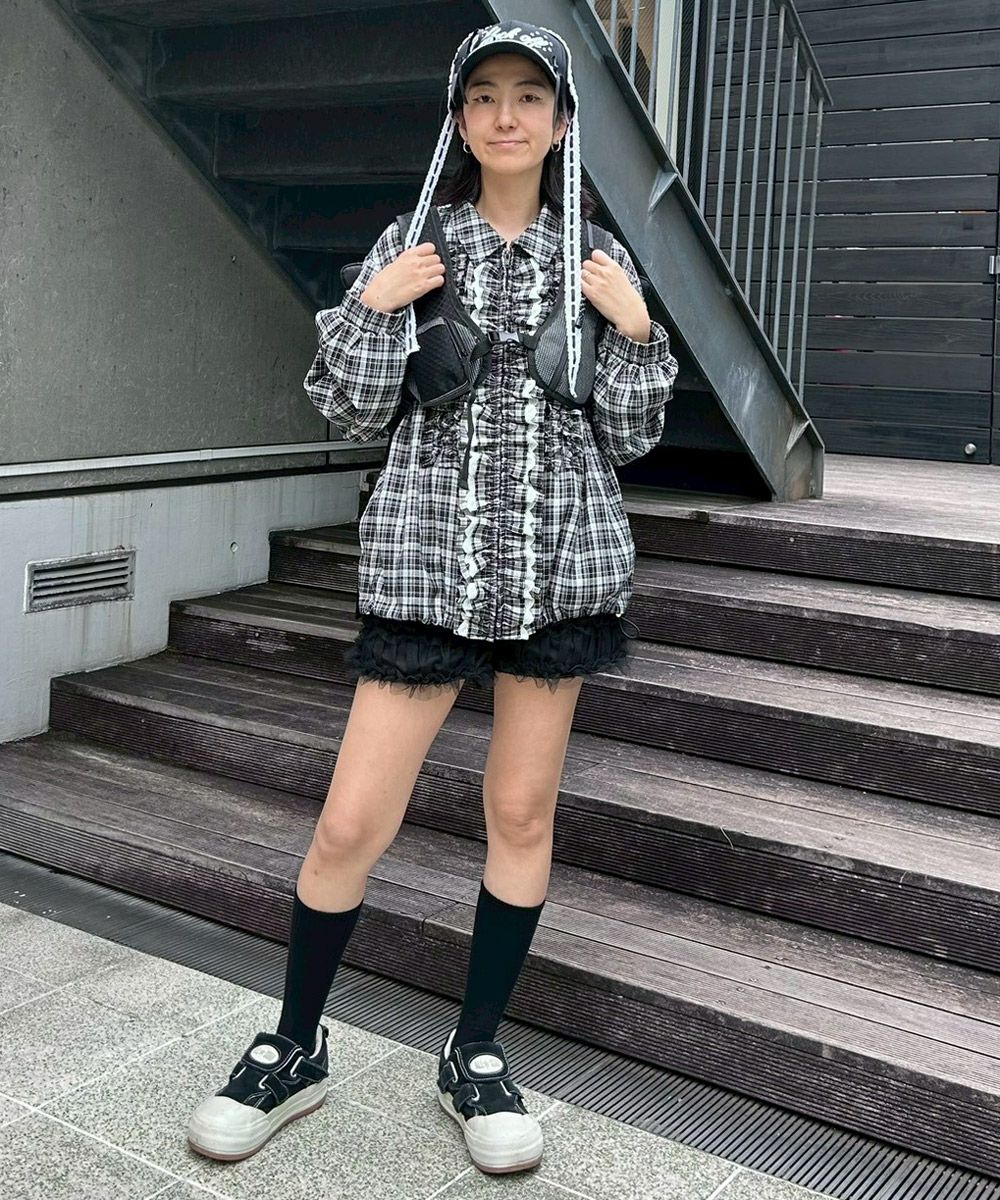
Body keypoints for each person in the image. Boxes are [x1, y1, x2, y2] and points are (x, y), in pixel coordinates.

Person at [187, 18, 678, 1177]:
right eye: (485, 96)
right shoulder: (411, 242)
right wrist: (375, 307)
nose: (507, 116)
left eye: (530, 97)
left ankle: (475, 1050)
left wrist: (636, 331)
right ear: (458, 121)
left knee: (521, 814)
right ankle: (295, 1045)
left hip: (558, 566)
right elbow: (350, 407)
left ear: (561, 123)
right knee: (351, 821)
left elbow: (629, 436)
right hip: (424, 564)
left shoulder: (597, 256)